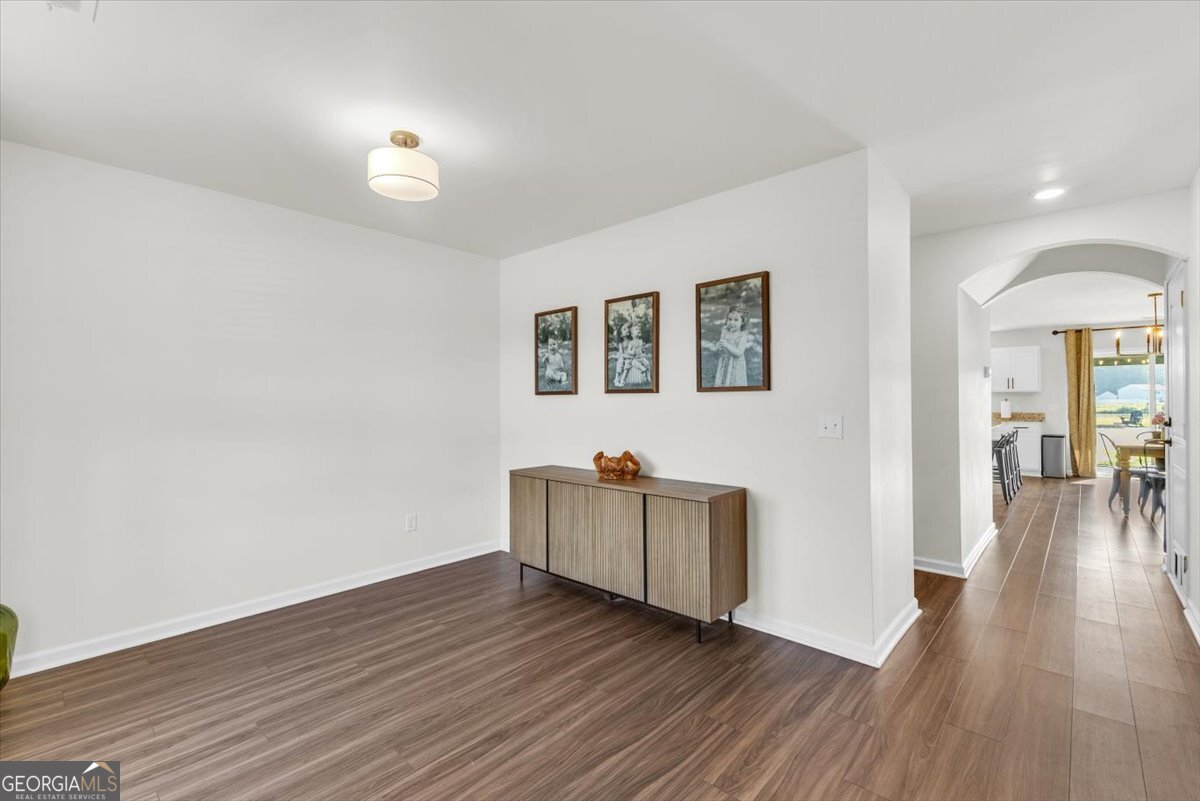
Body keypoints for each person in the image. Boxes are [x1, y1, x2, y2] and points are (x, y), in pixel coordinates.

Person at [713, 304, 751, 387]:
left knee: (734, 383)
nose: (731, 322)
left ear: (743, 321)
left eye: (736, 320)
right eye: (729, 319)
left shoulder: (742, 335)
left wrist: (727, 345)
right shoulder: (725, 331)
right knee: (723, 382)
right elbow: (718, 346)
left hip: (735, 364)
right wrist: (718, 346)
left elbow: (739, 352)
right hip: (724, 362)